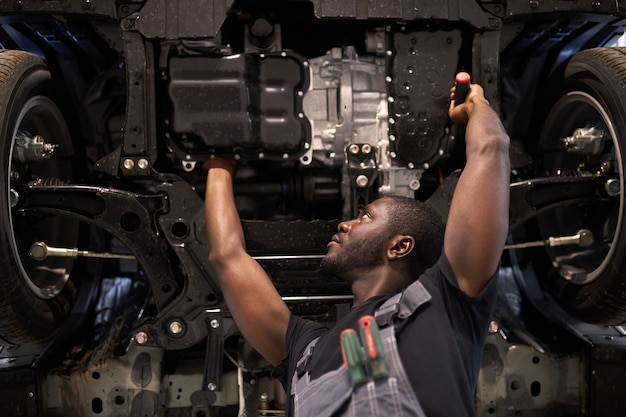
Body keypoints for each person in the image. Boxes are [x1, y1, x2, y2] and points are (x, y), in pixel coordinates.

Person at [204, 82, 510, 417]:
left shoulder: (446, 302)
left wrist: (476, 105)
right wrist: (220, 163)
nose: (344, 224)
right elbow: (226, 256)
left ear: (400, 246)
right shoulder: (303, 350)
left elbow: (490, 148)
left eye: (365, 216)